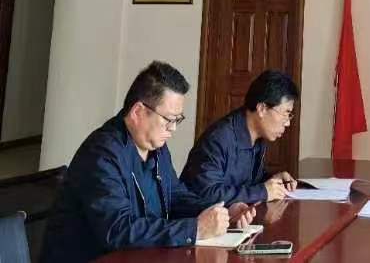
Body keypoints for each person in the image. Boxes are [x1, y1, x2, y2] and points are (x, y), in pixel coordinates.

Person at [42, 61, 257, 263]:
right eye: (169, 119)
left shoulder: (157, 148)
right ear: (138, 112)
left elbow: (176, 197)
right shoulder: (102, 154)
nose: (173, 129)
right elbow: (117, 230)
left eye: (177, 120)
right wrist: (195, 229)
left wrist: (222, 212)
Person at [181, 70, 299, 204]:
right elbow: (207, 193)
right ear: (262, 109)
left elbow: (247, 182)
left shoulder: (258, 137)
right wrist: (262, 192)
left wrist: (273, 181)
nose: (288, 123)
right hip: (195, 215)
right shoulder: (218, 139)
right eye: (286, 114)